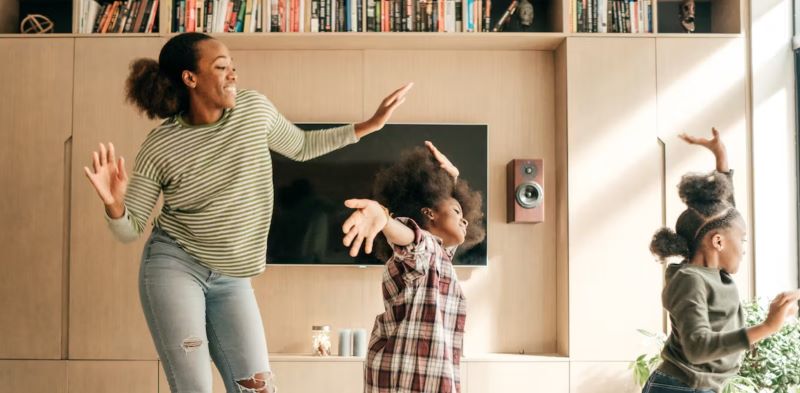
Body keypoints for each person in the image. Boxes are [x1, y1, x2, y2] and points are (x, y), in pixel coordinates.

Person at [82, 32, 413, 393]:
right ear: (190, 78)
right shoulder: (161, 146)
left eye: (233, 67)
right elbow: (130, 229)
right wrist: (113, 202)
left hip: (232, 278)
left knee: (257, 388)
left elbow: (302, 146)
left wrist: (370, 125)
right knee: (194, 387)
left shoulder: (254, 111)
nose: (233, 76)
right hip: (175, 267)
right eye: (221, 67)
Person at [644, 128, 800, 393]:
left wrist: (721, 155)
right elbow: (698, 347)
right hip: (678, 388)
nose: (743, 248)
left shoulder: (713, 274)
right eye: (743, 240)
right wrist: (767, 327)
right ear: (717, 242)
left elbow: (725, 212)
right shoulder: (689, 280)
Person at [341, 141, 485, 393]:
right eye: (456, 209)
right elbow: (411, 238)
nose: (464, 219)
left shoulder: (440, 258)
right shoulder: (424, 250)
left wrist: (452, 178)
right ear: (429, 213)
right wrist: (384, 219)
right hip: (406, 381)